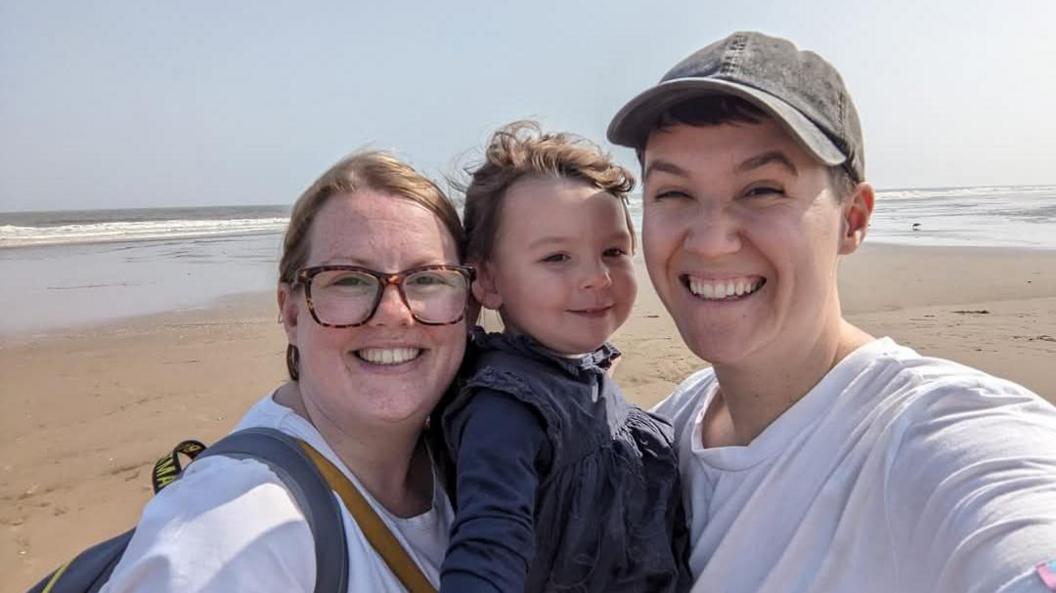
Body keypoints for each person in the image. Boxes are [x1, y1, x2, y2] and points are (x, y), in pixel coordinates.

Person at [606, 31, 1056, 593]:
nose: (712, 240)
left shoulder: (932, 436)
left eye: (763, 189)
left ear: (854, 219)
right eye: (673, 193)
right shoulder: (659, 436)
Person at [100, 151, 473, 592]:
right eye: (348, 279)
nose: (394, 314)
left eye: (428, 278)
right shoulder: (237, 529)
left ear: (469, 308)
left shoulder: (480, 462)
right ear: (292, 313)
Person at [436, 121, 691, 592]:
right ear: (488, 281)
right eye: (557, 258)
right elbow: (490, 543)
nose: (596, 277)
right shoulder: (505, 409)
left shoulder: (578, 373)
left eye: (613, 251)